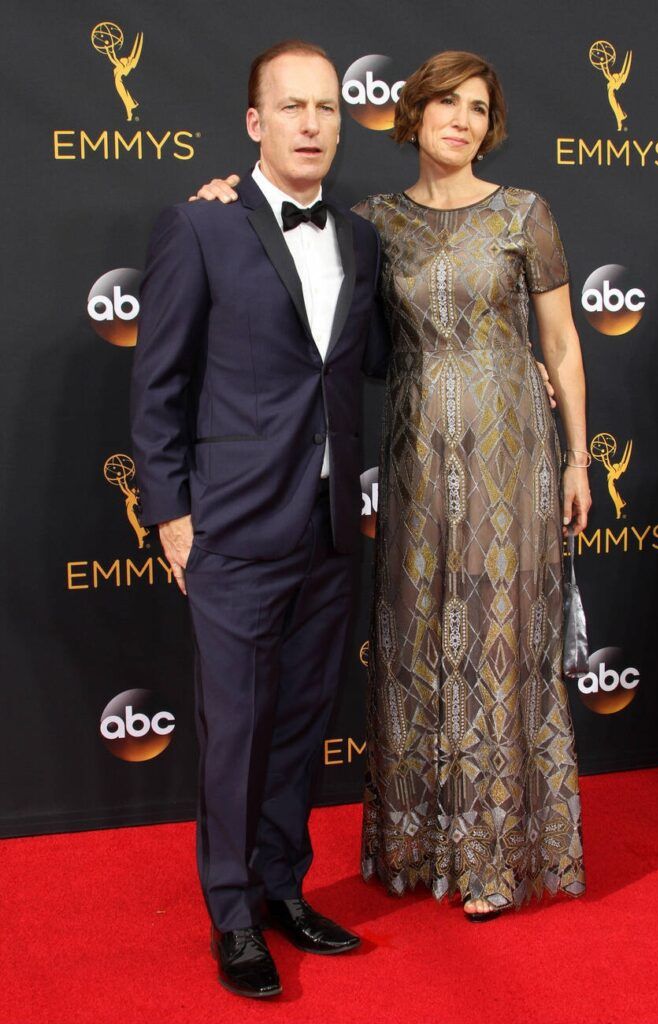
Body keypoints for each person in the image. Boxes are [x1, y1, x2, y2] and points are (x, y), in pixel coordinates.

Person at [191, 50, 589, 921]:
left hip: (508, 451)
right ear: (412, 116)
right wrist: (226, 200)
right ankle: (419, 849)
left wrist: (576, 454)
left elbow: (561, 344)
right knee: (416, 637)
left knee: (500, 635)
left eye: (478, 108)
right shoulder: (370, 227)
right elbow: (329, 336)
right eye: (446, 103)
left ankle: (495, 852)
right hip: (413, 457)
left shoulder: (528, 213)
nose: (462, 120)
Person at [130, 40, 388, 1000]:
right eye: (293, 108)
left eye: (326, 107)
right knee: (234, 731)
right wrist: (169, 515)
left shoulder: (358, 240)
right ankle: (232, 914)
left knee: (298, 726)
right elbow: (159, 384)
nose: (314, 123)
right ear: (255, 124)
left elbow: (371, 360)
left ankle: (284, 887)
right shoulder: (198, 229)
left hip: (329, 529)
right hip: (233, 531)